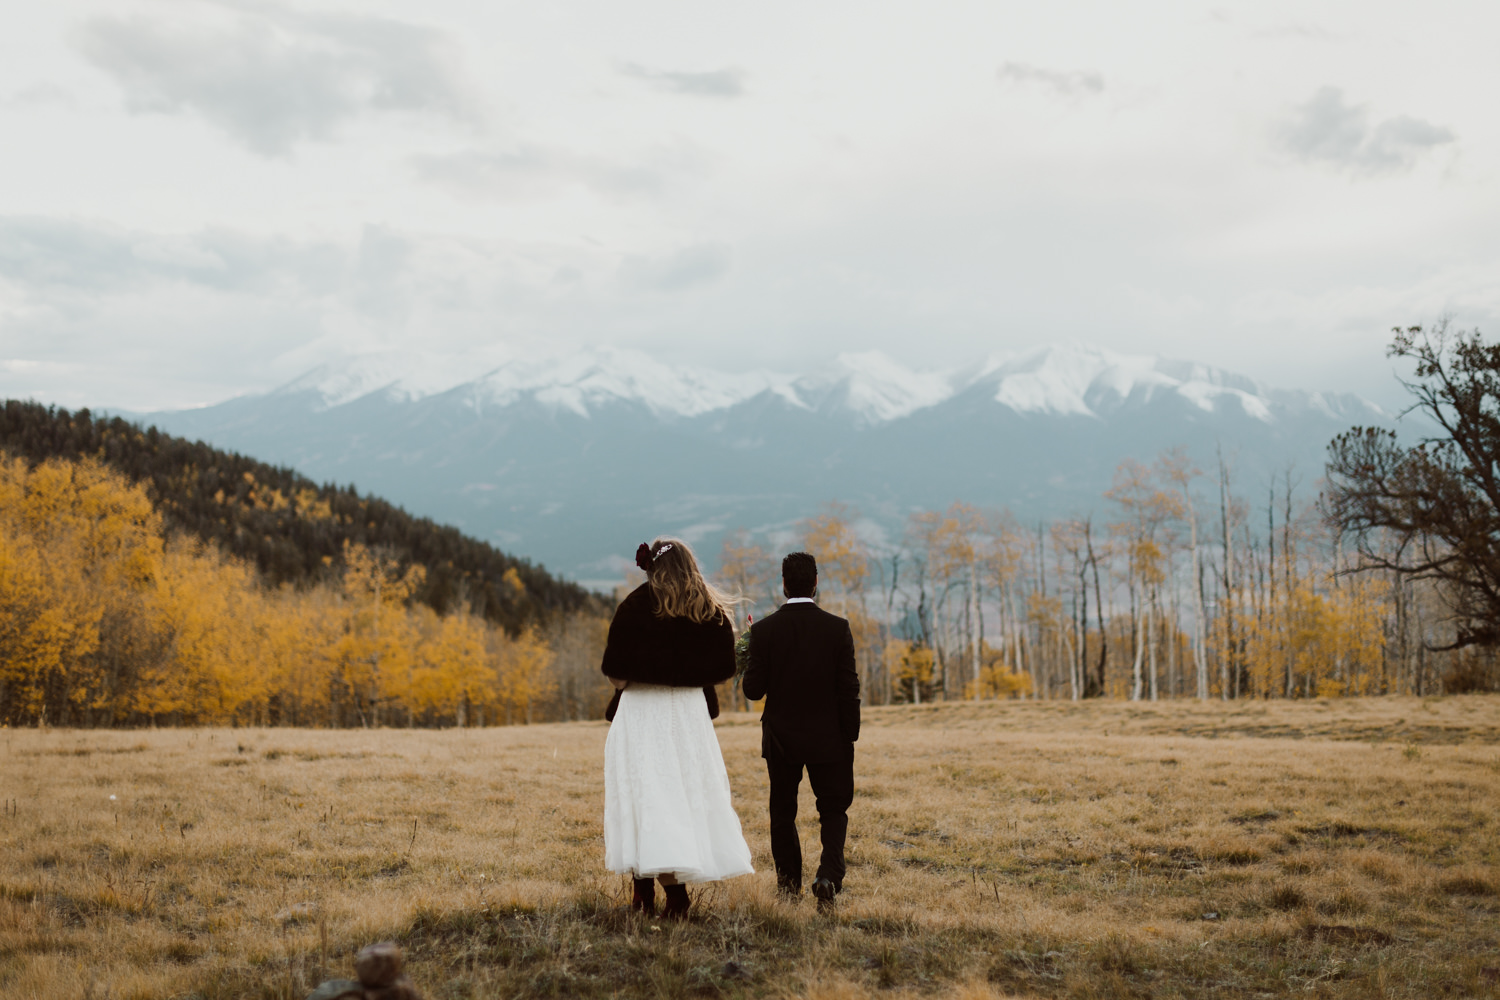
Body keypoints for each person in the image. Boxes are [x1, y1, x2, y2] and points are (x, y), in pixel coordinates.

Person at [600, 537, 754, 919]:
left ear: (651, 567)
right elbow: (722, 669)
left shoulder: (634, 606)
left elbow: (616, 675)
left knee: (639, 793)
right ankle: (668, 895)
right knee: (678, 795)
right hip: (688, 713)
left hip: (641, 712)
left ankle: (649, 896)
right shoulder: (711, 609)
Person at [741, 551, 860, 908]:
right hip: (830, 737)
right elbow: (848, 686)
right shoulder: (837, 628)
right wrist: (849, 734)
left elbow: (752, 691)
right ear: (816, 583)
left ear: (783, 584)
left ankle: (789, 885)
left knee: (782, 811)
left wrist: (747, 652)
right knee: (834, 809)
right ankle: (828, 875)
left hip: (781, 740)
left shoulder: (763, 631)